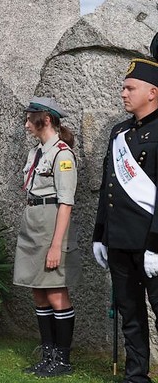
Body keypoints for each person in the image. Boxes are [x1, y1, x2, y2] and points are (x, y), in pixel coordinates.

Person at [93, 35, 158, 383]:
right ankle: (137, 376)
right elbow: (109, 189)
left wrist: (156, 245)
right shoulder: (119, 133)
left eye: (130, 87)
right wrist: (99, 235)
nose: (123, 93)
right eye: (123, 87)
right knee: (129, 313)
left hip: (150, 243)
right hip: (119, 241)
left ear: (152, 92)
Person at [13, 97, 80, 377]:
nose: (27, 124)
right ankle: (48, 354)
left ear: (47, 120)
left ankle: (62, 360)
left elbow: (66, 202)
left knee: (55, 292)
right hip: (33, 223)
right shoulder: (36, 152)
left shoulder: (62, 155)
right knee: (38, 291)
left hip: (52, 224)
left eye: (31, 119)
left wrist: (56, 246)